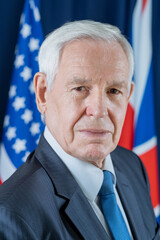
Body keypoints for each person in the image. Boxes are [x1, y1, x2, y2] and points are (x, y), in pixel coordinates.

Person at [0, 20, 159, 240]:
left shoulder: (133, 167)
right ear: (43, 93)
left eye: (114, 91)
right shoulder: (11, 215)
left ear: (128, 95)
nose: (99, 110)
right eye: (80, 88)